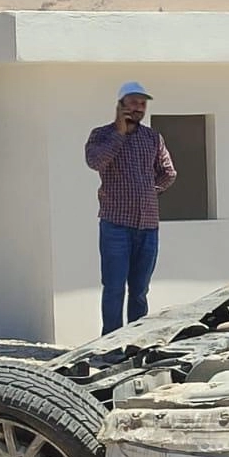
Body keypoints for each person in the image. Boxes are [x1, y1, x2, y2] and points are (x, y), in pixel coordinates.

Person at [84, 81, 176, 334]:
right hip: (116, 225)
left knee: (139, 291)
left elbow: (169, 172)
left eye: (142, 104)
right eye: (133, 102)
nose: (138, 108)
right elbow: (95, 161)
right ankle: (111, 344)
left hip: (147, 226)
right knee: (114, 288)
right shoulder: (101, 134)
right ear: (120, 104)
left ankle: (135, 342)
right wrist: (119, 132)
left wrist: (148, 191)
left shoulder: (152, 138)